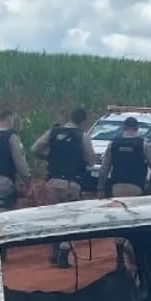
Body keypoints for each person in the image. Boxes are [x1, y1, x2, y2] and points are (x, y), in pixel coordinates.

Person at [31, 107, 96, 265]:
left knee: (54, 218)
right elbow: (91, 161)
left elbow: (34, 149)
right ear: (83, 121)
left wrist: (49, 157)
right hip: (71, 184)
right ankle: (63, 252)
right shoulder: (82, 136)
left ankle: (53, 251)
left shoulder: (53, 132)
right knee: (70, 220)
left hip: (52, 182)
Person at [98, 116, 151, 199]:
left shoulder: (112, 144)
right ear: (137, 128)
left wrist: (101, 189)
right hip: (137, 187)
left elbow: (104, 169)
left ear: (123, 128)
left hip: (116, 187)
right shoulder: (143, 145)